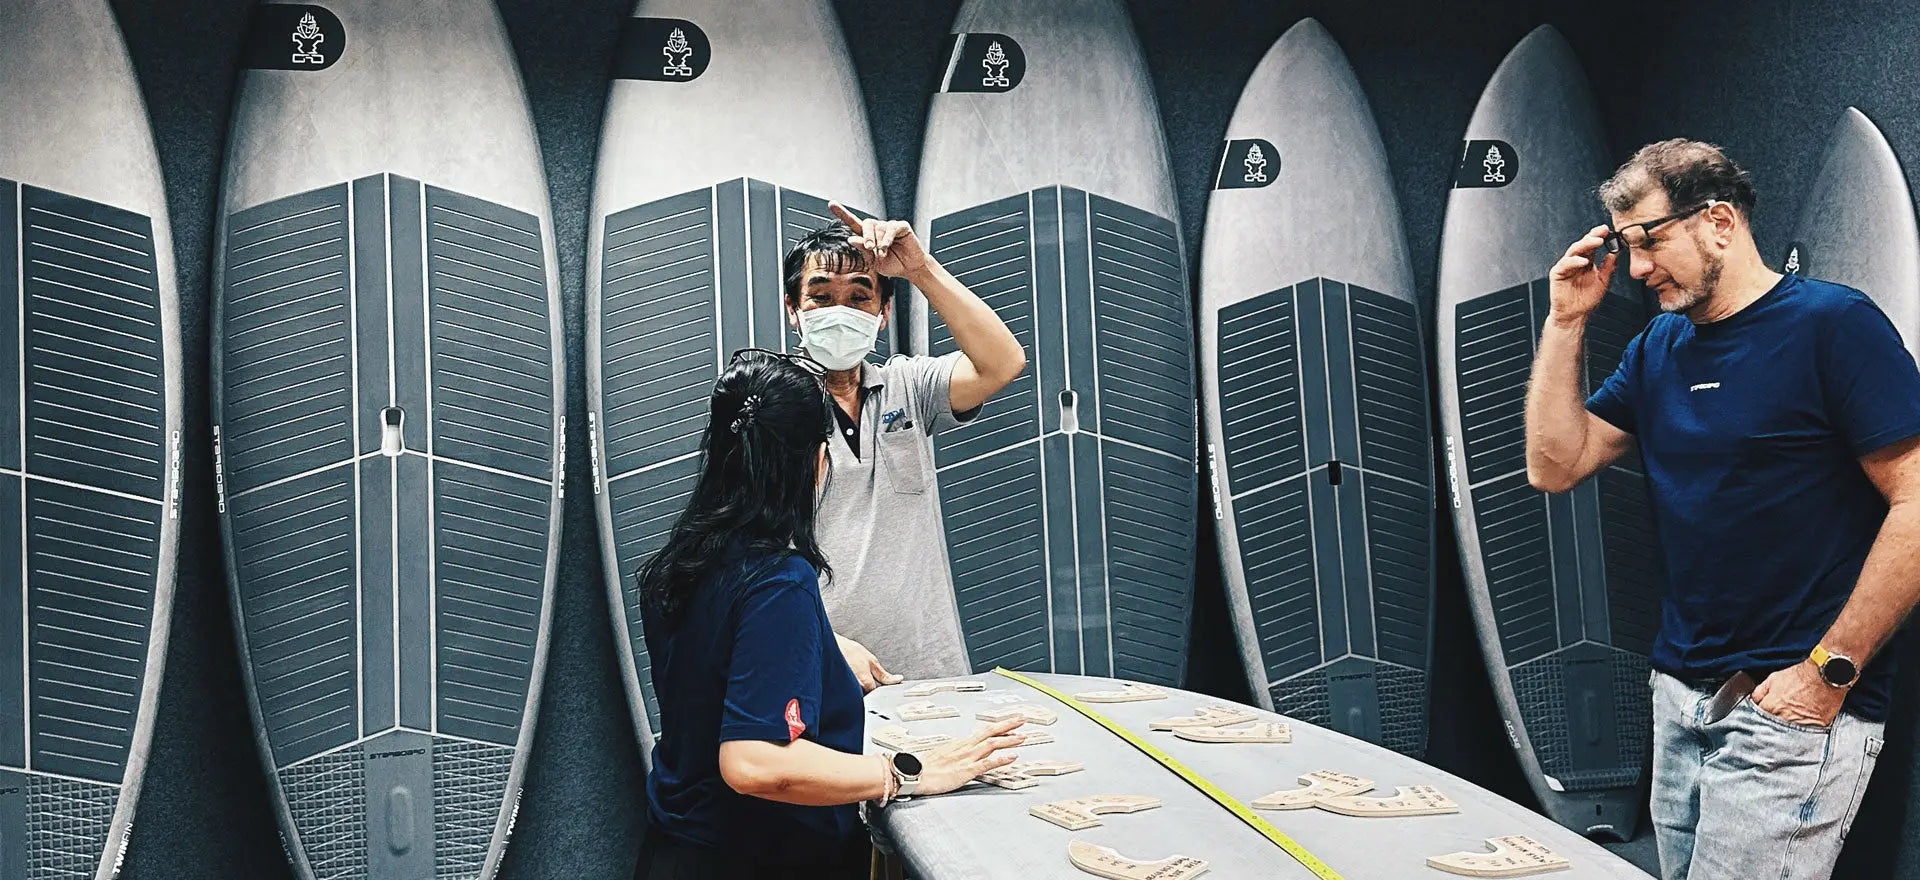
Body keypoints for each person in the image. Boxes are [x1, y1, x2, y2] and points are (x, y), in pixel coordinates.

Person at [1524, 139, 1920, 880]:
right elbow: (1555, 464)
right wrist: (1565, 322)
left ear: (1719, 222)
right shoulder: (1660, 344)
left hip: (1789, 706)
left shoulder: (1833, 325)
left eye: (1650, 240)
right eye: (1627, 247)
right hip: (1682, 697)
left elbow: (1917, 503)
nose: (1636, 269)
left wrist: (1829, 672)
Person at [633, 351, 1027, 879]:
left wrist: (820, 643)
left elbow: (717, 667)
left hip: (676, 851)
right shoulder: (778, 581)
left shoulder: (680, 564)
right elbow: (754, 762)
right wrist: (906, 772)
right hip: (763, 861)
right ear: (818, 461)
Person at [790, 204, 1026, 690]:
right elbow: (741, 555)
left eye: (859, 297)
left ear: (882, 315)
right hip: (821, 665)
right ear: (793, 309)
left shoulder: (909, 386)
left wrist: (920, 269)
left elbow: (1002, 363)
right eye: (821, 297)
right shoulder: (766, 404)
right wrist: (822, 639)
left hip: (931, 670)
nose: (840, 311)